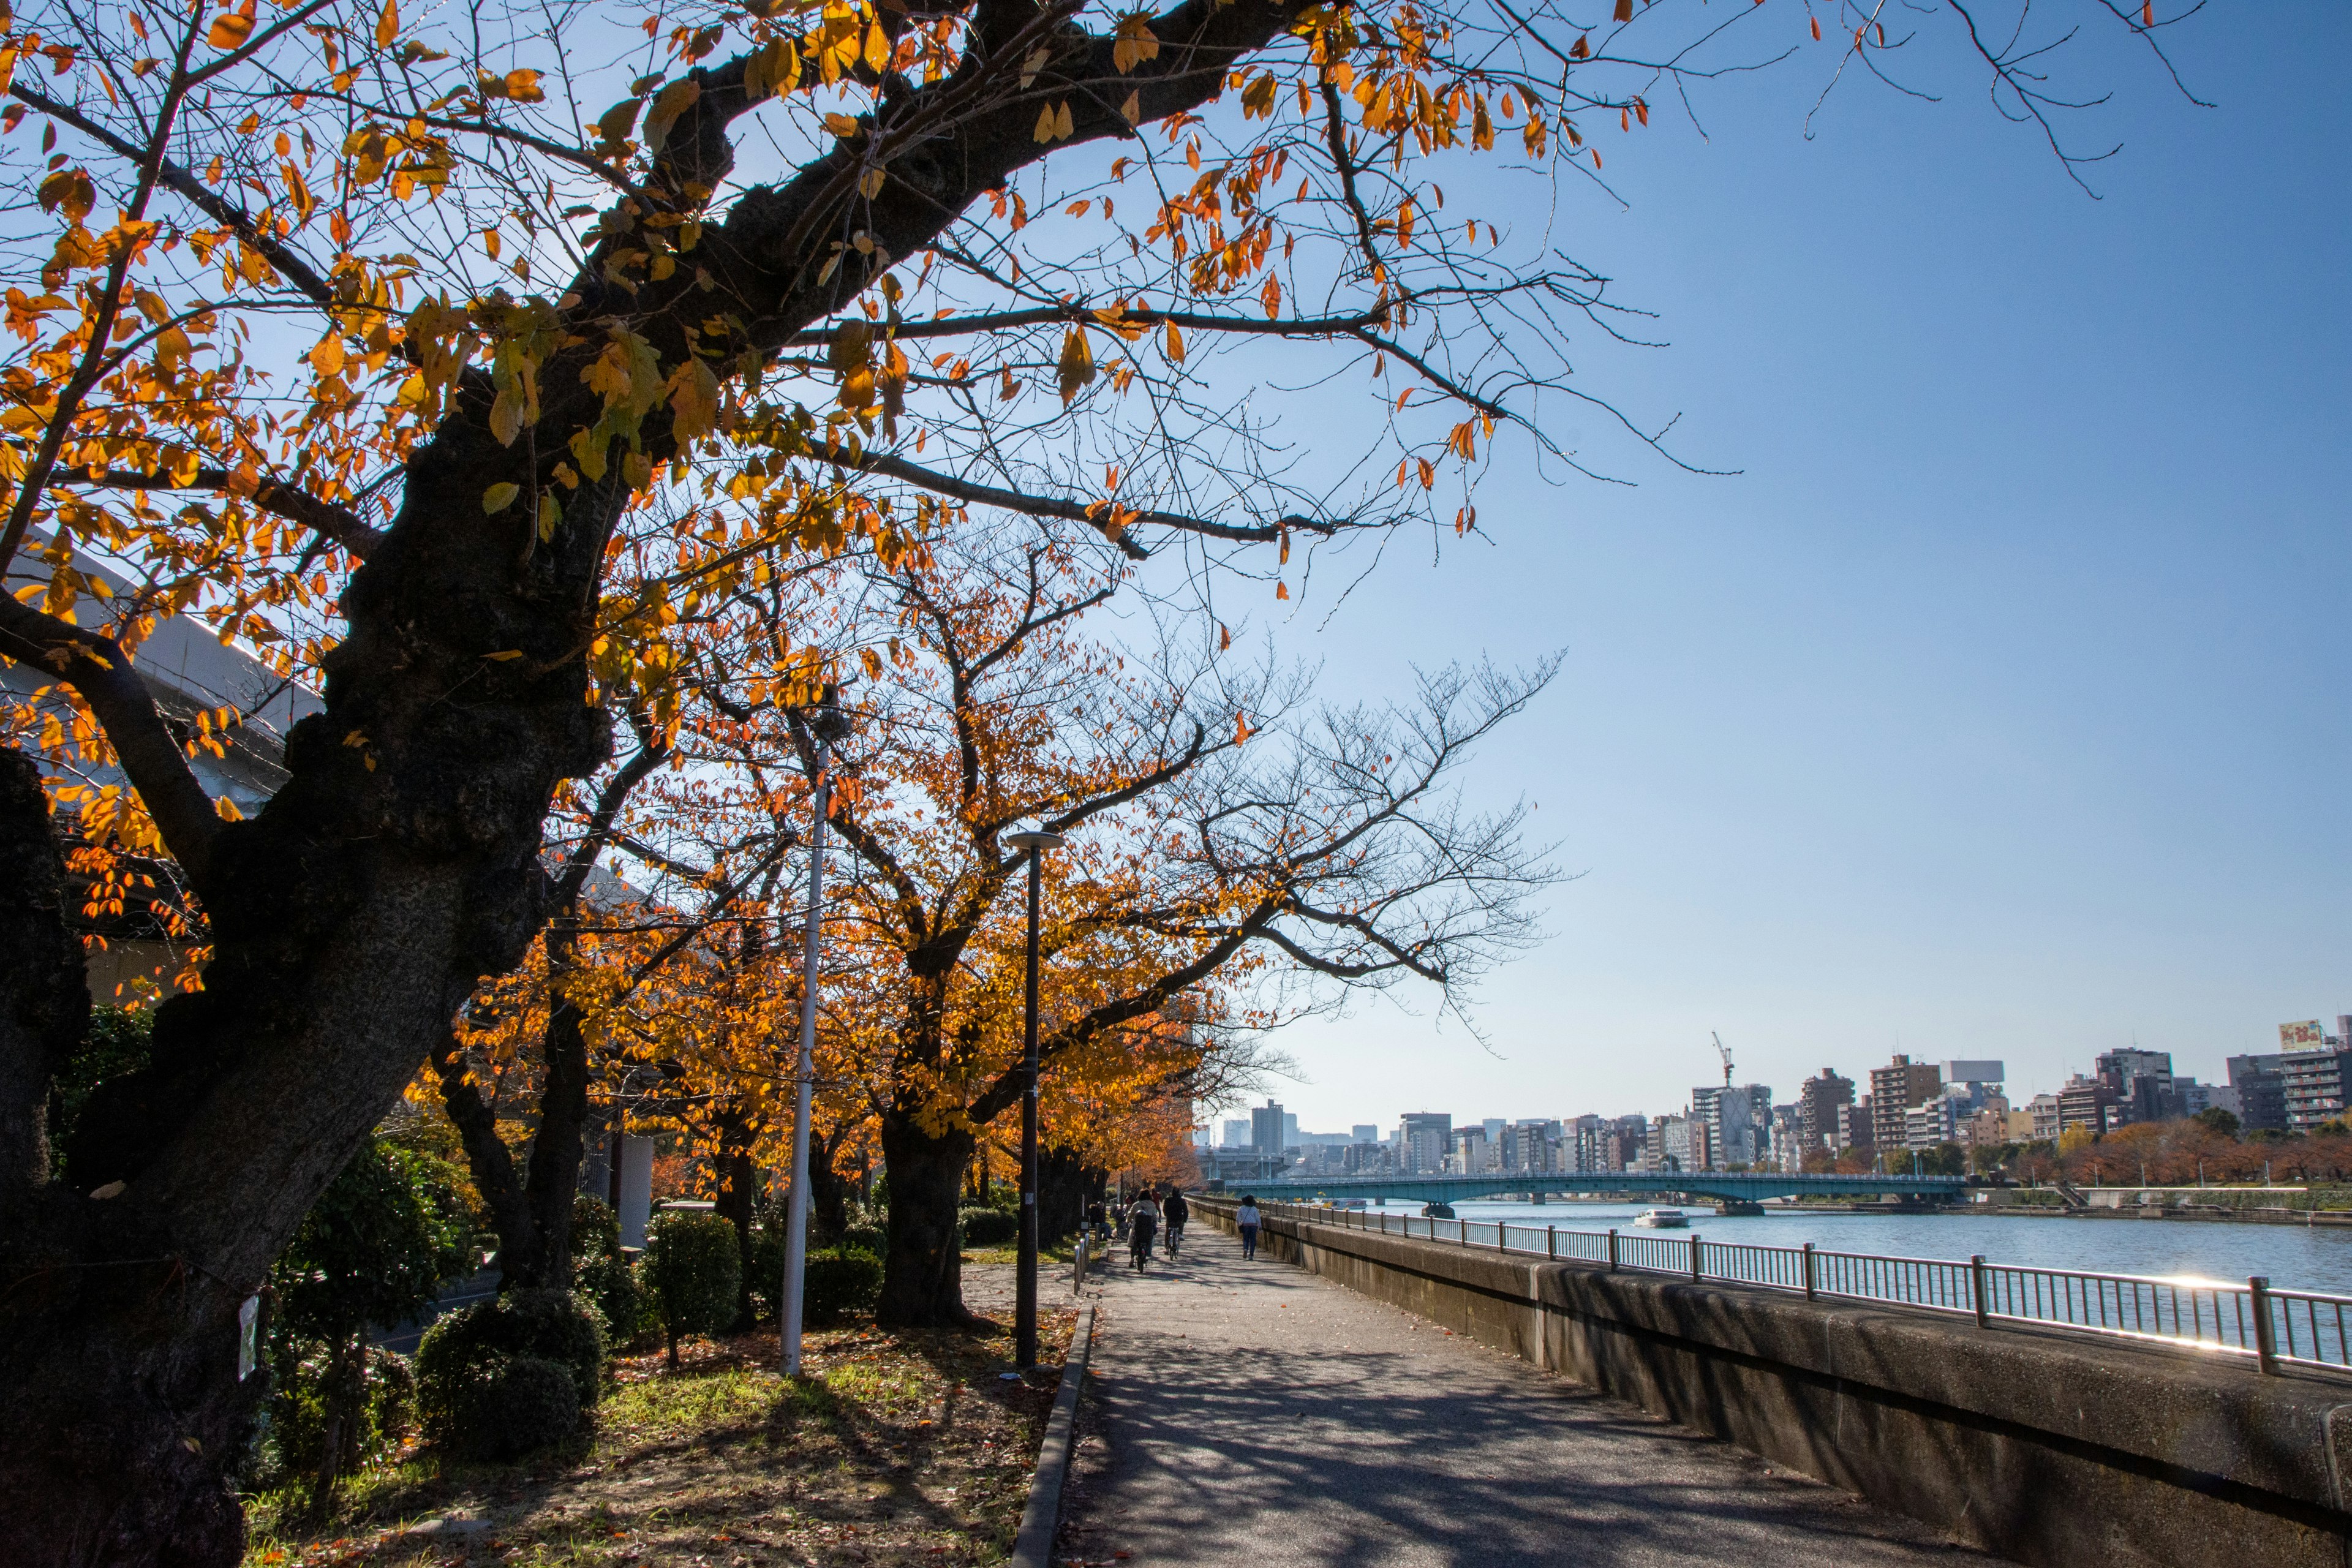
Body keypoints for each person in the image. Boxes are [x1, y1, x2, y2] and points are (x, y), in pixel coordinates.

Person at [1129, 1189, 1162, 1270]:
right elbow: (1155, 1217)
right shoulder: (1152, 1205)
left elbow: (1130, 1215)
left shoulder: (1136, 1205)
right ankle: (1148, 1251)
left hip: (1137, 1227)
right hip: (1148, 1228)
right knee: (1150, 1238)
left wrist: (1128, 1220)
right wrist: (1155, 1223)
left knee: (1133, 1239)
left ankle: (1132, 1259)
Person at [1163, 1185, 1189, 1257]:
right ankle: (1180, 1234)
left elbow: (1165, 1209)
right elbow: (1186, 1211)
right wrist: (1185, 1219)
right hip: (1179, 1219)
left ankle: (1167, 1249)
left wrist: (1166, 1215)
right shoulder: (1182, 1201)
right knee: (1181, 1225)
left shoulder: (1168, 1200)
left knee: (1168, 1233)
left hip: (1170, 1219)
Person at [1237, 1194, 1261, 1260]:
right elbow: (1258, 1218)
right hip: (1253, 1225)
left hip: (1245, 1226)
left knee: (1246, 1239)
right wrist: (1260, 1226)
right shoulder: (1254, 1209)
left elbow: (1238, 1218)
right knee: (1253, 1240)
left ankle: (1245, 1249)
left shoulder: (1241, 1208)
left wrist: (1239, 1224)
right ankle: (1251, 1255)